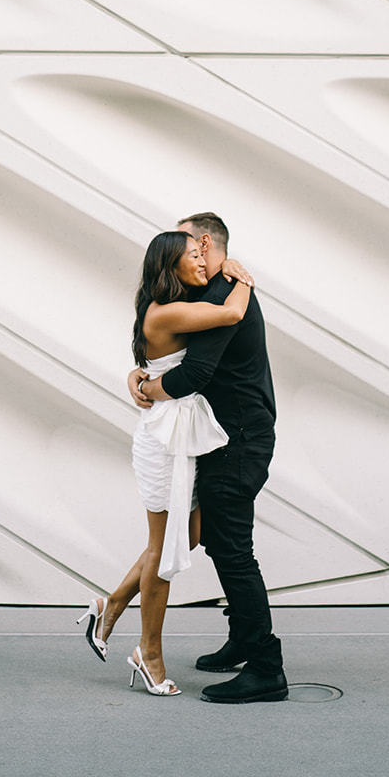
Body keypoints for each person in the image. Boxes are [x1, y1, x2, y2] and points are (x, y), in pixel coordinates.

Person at [77, 228, 254, 696]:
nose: (201, 258)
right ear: (169, 266)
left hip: (181, 436)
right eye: (192, 254)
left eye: (203, 251)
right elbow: (233, 311)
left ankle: (110, 606)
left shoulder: (165, 307)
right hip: (162, 442)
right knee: (162, 549)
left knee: (188, 535)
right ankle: (148, 654)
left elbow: (150, 369)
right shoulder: (168, 310)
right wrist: (240, 272)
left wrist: (139, 379)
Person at [129, 212, 288, 704]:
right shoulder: (213, 290)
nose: (189, 253)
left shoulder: (224, 293)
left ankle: (266, 668)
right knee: (220, 544)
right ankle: (243, 640)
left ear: (201, 242)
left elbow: (193, 374)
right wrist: (137, 376)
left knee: (235, 551)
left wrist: (150, 388)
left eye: (191, 244)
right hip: (229, 436)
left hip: (240, 439)